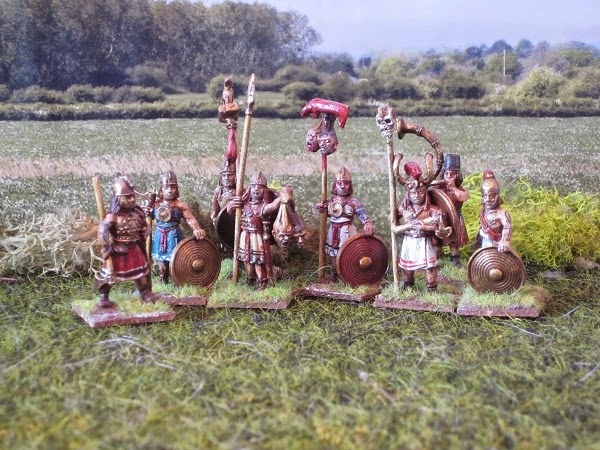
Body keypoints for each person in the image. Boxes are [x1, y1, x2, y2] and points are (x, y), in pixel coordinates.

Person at [95, 176, 153, 308]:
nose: (132, 199)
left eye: (133, 196)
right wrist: (106, 247)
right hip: (117, 250)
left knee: (140, 273)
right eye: (127, 197)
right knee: (109, 274)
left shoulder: (138, 213)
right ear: (118, 199)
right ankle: (104, 296)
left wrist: (145, 230)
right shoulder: (113, 217)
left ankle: (144, 292)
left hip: (135, 248)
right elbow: (102, 231)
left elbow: (145, 227)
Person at [392, 162, 451, 292]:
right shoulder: (404, 209)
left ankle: (432, 289)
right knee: (407, 267)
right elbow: (393, 222)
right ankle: (408, 286)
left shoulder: (432, 210)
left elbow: (438, 227)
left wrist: (424, 227)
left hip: (425, 241)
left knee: (429, 267)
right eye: (413, 193)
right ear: (408, 194)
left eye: (420, 192)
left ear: (425, 193)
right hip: (409, 241)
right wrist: (399, 224)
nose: (416, 196)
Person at [315, 166, 374, 281]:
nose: (342, 186)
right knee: (333, 253)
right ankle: (336, 276)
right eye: (339, 183)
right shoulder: (331, 201)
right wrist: (320, 208)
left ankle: (349, 276)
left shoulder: (353, 202)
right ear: (335, 185)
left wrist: (367, 224)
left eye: (346, 183)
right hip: (333, 230)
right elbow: (325, 212)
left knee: (348, 253)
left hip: (347, 230)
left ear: (350, 185)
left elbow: (363, 216)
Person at [227, 171, 281, 289]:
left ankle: (262, 281)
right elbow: (229, 212)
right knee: (246, 260)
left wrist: (282, 196)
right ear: (249, 189)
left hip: (256, 238)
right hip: (244, 236)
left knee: (258, 261)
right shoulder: (243, 204)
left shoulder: (263, 207)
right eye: (254, 187)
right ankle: (250, 279)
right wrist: (233, 204)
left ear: (264, 191)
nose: (256, 190)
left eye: (260, 187)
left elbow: (274, 206)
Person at [150, 171, 205, 283]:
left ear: (177, 189)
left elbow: (190, 219)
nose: (170, 190)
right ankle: (163, 278)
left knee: (176, 259)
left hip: (174, 235)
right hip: (159, 235)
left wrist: (196, 228)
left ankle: (177, 280)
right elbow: (147, 217)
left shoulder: (180, 205)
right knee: (161, 261)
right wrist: (146, 211)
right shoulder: (155, 205)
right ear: (161, 189)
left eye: (173, 187)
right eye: (166, 187)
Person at [438, 153, 470, 265]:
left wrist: (453, 188)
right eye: (446, 173)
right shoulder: (439, 188)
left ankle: (454, 258)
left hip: (455, 217)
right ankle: (438, 256)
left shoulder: (460, 189)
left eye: (452, 174)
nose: (448, 176)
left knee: (454, 242)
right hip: (441, 218)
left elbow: (463, 197)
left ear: (457, 175)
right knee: (438, 240)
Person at [477, 170, 512, 252]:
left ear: (497, 196)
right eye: (485, 196)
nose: (487, 199)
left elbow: (507, 226)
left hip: (496, 243)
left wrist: (504, 240)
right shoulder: (483, 210)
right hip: (484, 239)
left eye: (491, 196)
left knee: (493, 258)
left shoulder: (502, 213)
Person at [210, 159, 236, 226]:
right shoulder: (218, 191)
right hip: (223, 222)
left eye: (230, 175)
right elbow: (216, 209)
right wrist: (215, 217)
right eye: (224, 175)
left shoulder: (241, 191)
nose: (226, 178)